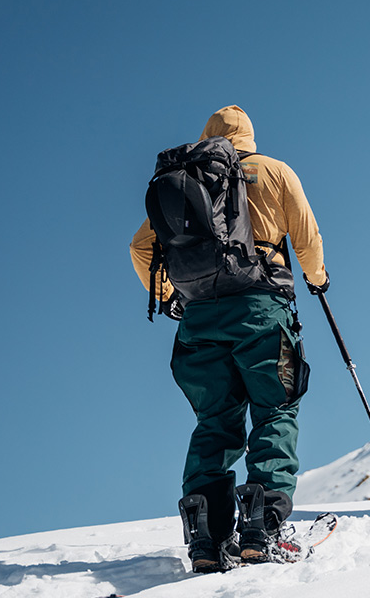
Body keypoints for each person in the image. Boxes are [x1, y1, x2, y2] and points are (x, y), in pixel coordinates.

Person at [129, 105, 329, 572]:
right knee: (275, 407)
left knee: (215, 421)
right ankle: (263, 528)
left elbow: (140, 247)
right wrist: (317, 279)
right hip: (260, 309)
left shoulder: (187, 179)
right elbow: (306, 236)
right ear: (249, 137)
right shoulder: (272, 171)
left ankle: (205, 539)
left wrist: (170, 295)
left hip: (199, 318)